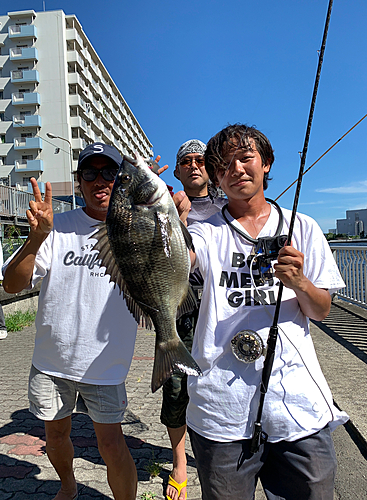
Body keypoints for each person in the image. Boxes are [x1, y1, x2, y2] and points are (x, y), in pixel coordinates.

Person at [174, 124, 349, 500]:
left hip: (298, 406)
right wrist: (168, 224)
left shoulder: (303, 227)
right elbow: (178, 264)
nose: (236, 169)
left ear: (266, 163)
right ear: (216, 177)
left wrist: (301, 282)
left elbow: (321, 311)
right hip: (222, 408)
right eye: (223, 165)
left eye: (245, 158)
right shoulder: (204, 231)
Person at [3, 143, 139, 500]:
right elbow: (12, 284)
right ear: (79, 182)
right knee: (55, 436)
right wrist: (36, 237)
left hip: (106, 363)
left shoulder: (134, 228)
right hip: (53, 360)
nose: (100, 180)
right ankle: (68, 486)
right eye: (90, 173)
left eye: (109, 172)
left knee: (111, 445)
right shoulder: (56, 228)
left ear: (121, 180)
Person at [162, 139, 226, 500]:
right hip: (183, 303)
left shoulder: (228, 202)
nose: (193, 165)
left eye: (201, 159)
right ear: (177, 171)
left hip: (225, 303)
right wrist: (176, 217)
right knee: (176, 386)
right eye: (185, 161)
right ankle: (179, 462)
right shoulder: (165, 204)